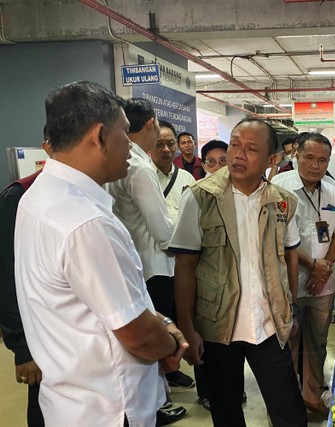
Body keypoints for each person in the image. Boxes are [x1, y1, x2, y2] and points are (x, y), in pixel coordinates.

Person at [14, 80, 188, 427]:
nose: (132, 146)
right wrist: (170, 343)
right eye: (126, 133)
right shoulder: (86, 223)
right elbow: (137, 335)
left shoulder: (39, 197)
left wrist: (163, 321)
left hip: (69, 400)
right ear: (99, 136)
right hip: (109, 407)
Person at [170, 118, 307, 427]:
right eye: (235, 145)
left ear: (272, 160)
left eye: (250, 149)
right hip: (218, 328)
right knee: (226, 412)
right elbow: (185, 266)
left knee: (289, 411)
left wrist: (292, 310)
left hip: (269, 324)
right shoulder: (199, 198)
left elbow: (290, 257)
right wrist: (187, 327)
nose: (238, 155)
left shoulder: (282, 203)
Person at [106, 100, 195, 398]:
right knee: (157, 331)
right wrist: (180, 248)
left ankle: (160, 389)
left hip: (131, 261)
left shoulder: (119, 160)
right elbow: (161, 228)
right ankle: (158, 398)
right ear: (150, 124)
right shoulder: (140, 167)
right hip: (154, 265)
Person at [271, 133, 335, 414]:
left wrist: (323, 267)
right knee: (287, 343)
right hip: (288, 283)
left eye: (322, 160)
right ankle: (285, 402)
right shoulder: (279, 187)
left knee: (317, 342)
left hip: (321, 285)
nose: (315, 165)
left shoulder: (331, 190)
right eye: (309, 158)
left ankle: (313, 396)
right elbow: (275, 238)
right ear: (296, 157)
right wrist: (311, 265)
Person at [0, 138, 50, 427]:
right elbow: (7, 278)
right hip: (41, 340)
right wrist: (22, 348)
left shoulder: (92, 193)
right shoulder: (20, 197)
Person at [150, 121, 196, 223]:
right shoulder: (144, 177)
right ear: (149, 145)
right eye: (159, 145)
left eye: (171, 144)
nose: (166, 149)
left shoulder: (187, 178)